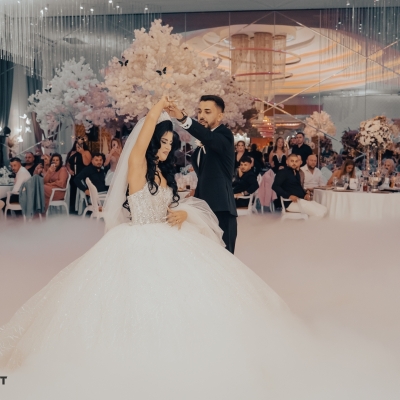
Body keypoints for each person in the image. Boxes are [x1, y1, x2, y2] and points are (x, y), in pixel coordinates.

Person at [1, 98, 399, 399]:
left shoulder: (165, 172)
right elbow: (141, 147)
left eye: (169, 144)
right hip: (136, 242)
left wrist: (178, 213)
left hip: (167, 235)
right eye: (162, 142)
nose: (165, 149)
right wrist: (159, 108)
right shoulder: (139, 165)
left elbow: (168, 204)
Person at [167, 95, 237, 254]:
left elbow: (208, 137)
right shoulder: (201, 146)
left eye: (207, 112)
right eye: (199, 111)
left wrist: (182, 118)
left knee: (224, 259)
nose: (201, 116)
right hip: (204, 210)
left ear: (220, 116)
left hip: (221, 208)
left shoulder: (225, 135)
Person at [66, 137, 92, 213]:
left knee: (82, 192)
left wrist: (82, 153)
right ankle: (73, 209)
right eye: (77, 144)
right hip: (73, 175)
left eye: (80, 144)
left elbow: (87, 163)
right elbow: (67, 163)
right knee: (73, 192)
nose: (78, 145)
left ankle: (83, 209)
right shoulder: (72, 152)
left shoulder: (86, 152)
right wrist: (69, 170)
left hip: (82, 176)